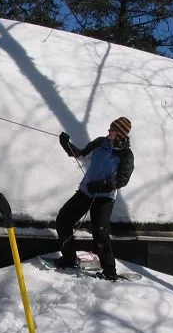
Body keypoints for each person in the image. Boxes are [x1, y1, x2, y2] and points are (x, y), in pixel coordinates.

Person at [55, 117, 134, 281]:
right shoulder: (100, 142)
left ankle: (109, 271)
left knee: (100, 231)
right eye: (110, 127)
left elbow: (122, 180)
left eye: (112, 129)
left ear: (120, 134)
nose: (109, 131)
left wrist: (101, 186)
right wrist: (66, 144)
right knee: (63, 220)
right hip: (86, 191)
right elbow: (80, 155)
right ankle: (69, 258)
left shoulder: (126, 155)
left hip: (105, 198)